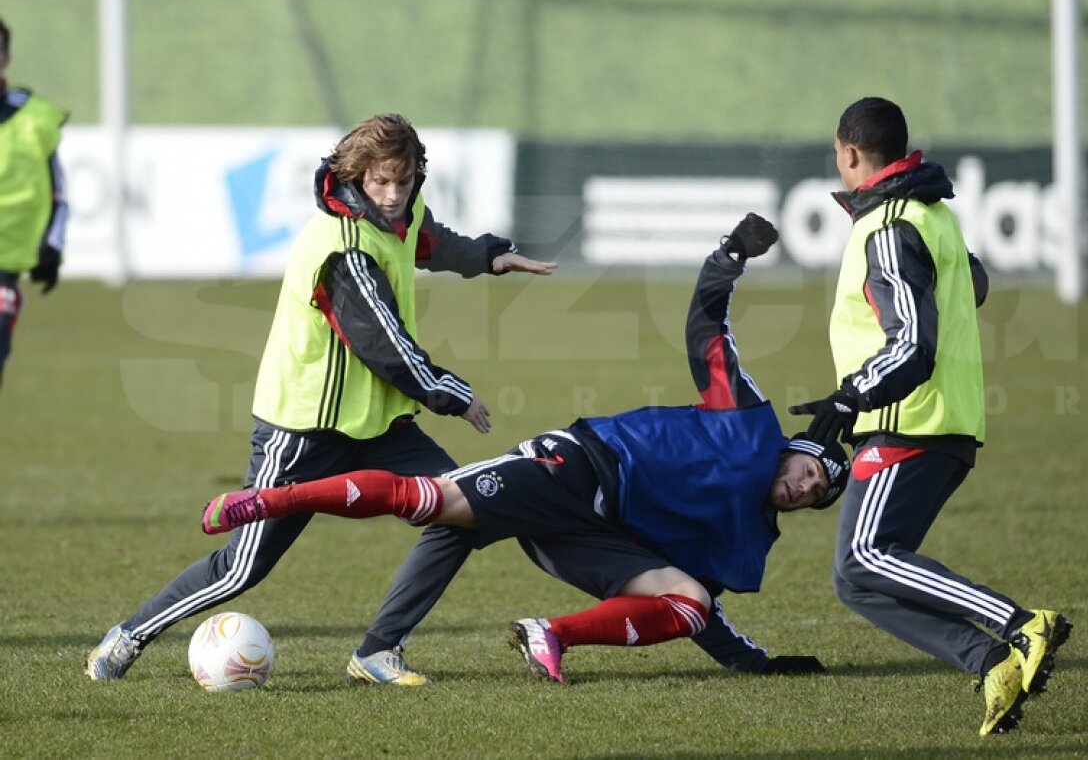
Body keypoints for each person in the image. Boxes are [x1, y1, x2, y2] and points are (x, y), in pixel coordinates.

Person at [200, 214, 852, 683]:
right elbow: (707, 327)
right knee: (430, 500)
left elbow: (703, 606)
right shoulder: (748, 422)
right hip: (570, 466)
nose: (802, 489)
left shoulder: (749, 536)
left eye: (814, 496)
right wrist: (728, 256)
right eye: (807, 472)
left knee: (689, 599)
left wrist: (756, 664)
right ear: (793, 449)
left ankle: (552, 634)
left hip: (590, 532)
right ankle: (265, 499)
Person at [86, 113, 557, 682]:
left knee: (461, 513)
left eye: (402, 183)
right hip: (303, 430)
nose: (391, 195)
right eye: (379, 183)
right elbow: (381, 342)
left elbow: (426, 240)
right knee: (241, 570)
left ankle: (378, 651)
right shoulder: (343, 247)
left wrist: (487, 256)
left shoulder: (398, 213)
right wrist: (451, 393)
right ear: (355, 175)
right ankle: (125, 637)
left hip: (379, 426)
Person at [790, 97, 1071, 737]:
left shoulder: (888, 224)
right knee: (855, 578)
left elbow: (912, 341)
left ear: (850, 152)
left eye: (837, 152)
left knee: (865, 553)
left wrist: (850, 394)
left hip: (911, 418)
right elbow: (972, 283)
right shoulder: (929, 214)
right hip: (941, 417)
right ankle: (993, 661)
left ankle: (1019, 624)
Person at [0, 17, 69, 391]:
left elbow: (59, 192)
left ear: (6, 58)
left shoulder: (33, 120)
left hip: (4, 265)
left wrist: (52, 249)